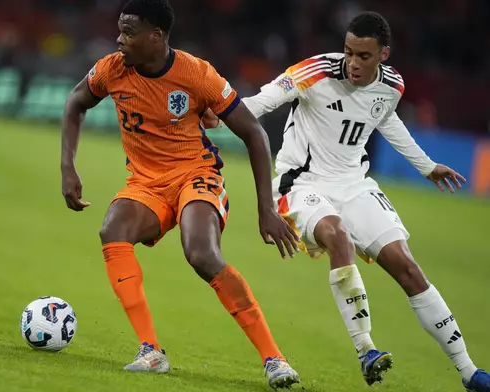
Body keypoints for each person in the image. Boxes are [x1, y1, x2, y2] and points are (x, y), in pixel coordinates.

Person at [204, 11, 489, 392]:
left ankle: (469, 371)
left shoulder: (392, 86)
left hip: (355, 184)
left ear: (383, 54)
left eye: (364, 56)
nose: (353, 63)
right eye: (349, 52)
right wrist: (221, 116)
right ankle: (366, 348)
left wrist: (426, 166)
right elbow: (264, 100)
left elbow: (386, 120)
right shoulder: (315, 71)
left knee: (408, 268)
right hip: (301, 183)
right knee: (336, 234)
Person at [60, 0, 301, 389]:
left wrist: (266, 208)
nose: (119, 39)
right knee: (112, 230)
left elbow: (254, 133)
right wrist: (67, 167)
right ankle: (150, 351)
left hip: (196, 174)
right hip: (145, 182)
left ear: (156, 37)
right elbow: (75, 102)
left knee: (202, 254)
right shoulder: (111, 69)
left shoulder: (197, 74)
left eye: (129, 32)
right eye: (119, 30)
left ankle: (274, 359)